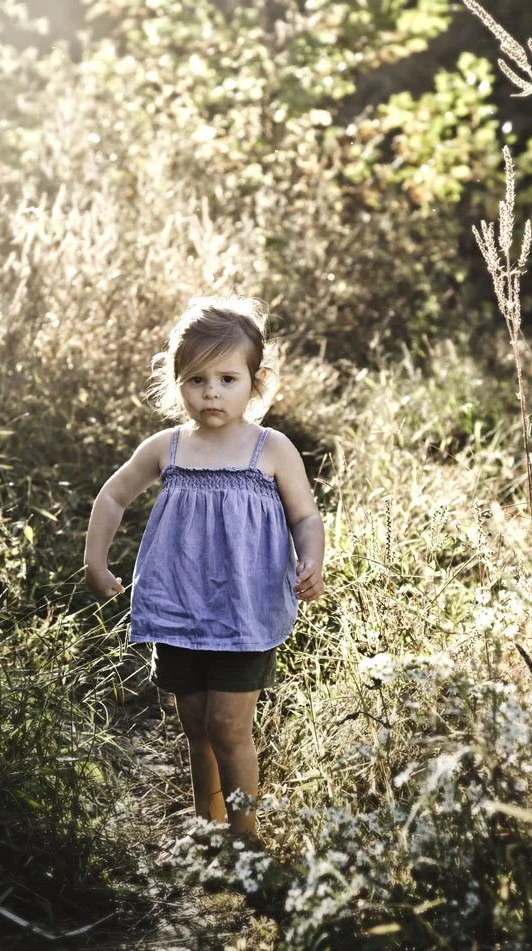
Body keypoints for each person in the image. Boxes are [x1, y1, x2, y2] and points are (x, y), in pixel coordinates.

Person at [84, 296, 325, 838]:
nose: (211, 392)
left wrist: (312, 557)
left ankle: (245, 838)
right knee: (196, 725)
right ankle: (207, 827)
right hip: (180, 606)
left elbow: (305, 515)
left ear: (256, 384)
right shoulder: (167, 447)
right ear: (178, 385)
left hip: (245, 609)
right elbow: (113, 496)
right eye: (196, 380)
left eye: (226, 379)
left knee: (228, 726)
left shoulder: (271, 448)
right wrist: (94, 561)